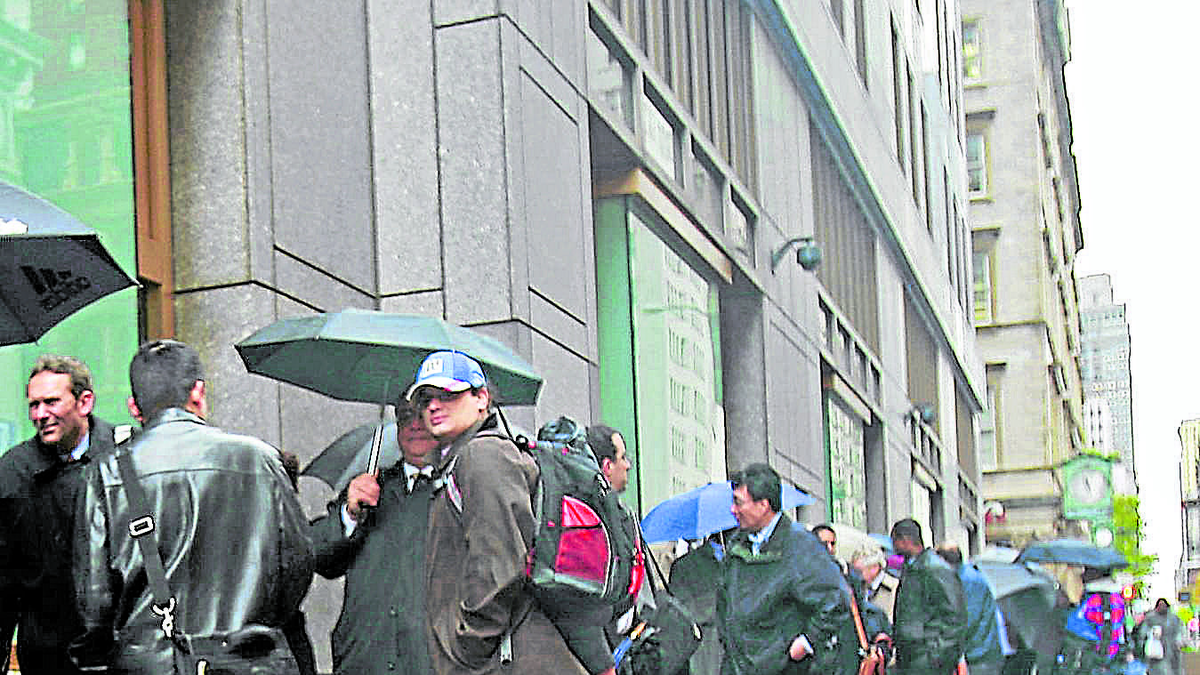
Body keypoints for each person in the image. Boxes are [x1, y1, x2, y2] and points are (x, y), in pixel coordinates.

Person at [69, 339, 313, 672]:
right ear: (198, 392)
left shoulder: (107, 473)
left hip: (150, 664)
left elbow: (95, 602)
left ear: (134, 408)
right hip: (246, 660)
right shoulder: (261, 459)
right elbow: (297, 566)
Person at [410, 350, 610, 675]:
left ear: (481, 398)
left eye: (447, 394)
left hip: (507, 661)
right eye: (425, 399)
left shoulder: (483, 455)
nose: (433, 406)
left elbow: (499, 567)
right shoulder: (458, 463)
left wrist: (466, 650)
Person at [0, 355, 126, 674]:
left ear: (85, 402)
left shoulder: (125, 457)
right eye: (34, 405)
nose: (40, 414)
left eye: (51, 402)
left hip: (119, 650)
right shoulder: (13, 472)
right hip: (46, 652)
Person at [310, 396, 441, 674]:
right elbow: (319, 556)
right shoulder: (369, 488)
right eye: (405, 416)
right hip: (365, 659)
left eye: (423, 414)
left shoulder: (459, 488)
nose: (414, 425)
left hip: (431, 662)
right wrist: (349, 514)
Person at [716, 463, 850, 675]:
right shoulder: (736, 546)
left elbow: (836, 599)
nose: (733, 510)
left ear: (763, 505)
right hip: (739, 666)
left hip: (784, 668)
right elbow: (724, 602)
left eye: (739, 503)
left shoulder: (800, 546)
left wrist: (806, 643)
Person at [889, 518, 967, 675]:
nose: (893, 547)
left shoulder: (934, 569)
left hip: (926, 658)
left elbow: (955, 617)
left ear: (905, 540)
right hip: (912, 657)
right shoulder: (911, 569)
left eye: (895, 541)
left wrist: (936, 657)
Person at [936, 542, 1005, 675]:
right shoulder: (960, 578)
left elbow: (967, 619)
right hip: (975, 654)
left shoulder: (970, 581)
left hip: (980, 656)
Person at [850, 547, 900, 625]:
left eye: (859, 571)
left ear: (874, 567)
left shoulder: (894, 587)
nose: (855, 574)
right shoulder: (857, 586)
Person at [1136, 598, 1183, 675]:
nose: (1162, 607)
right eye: (1160, 605)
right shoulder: (1150, 618)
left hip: (1172, 650)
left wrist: (1179, 640)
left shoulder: (1174, 618)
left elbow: (1179, 630)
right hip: (1156, 649)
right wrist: (1150, 634)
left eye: (1163, 605)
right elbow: (1143, 632)